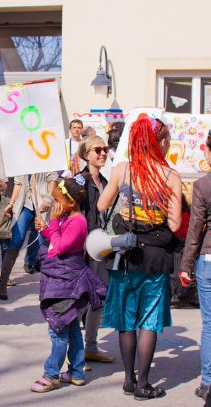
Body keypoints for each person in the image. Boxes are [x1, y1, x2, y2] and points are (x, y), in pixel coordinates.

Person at [98, 116, 181, 400]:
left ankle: (129, 379)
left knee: (127, 318)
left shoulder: (122, 169)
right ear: (161, 142)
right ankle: (145, 384)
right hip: (155, 255)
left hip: (126, 253)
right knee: (149, 319)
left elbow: (101, 204)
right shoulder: (171, 176)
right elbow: (173, 224)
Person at [30, 176, 107, 392]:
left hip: (66, 285)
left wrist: (52, 224)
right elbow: (56, 240)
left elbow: (61, 246)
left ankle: (51, 374)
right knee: (72, 326)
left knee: (58, 328)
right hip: (61, 280)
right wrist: (45, 229)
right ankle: (76, 372)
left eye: (57, 200)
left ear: (71, 203)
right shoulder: (66, 218)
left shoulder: (78, 221)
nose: (54, 206)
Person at [77, 136, 115, 364]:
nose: (102, 153)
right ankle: (75, 354)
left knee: (98, 297)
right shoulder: (79, 181)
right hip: (82, 248)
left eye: (105, 149)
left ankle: (91, 347)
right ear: (86, 154)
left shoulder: (105, 180)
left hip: (101, 246)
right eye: (97, 149)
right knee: (79, 300)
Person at [180, 130, 211, 402]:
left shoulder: (203, 185)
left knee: (210, 324)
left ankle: (208, 382)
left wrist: (186, 264)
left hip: (209, 259)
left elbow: (195, 230)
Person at [0, 172, 58, 300]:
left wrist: (48, 198)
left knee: (43, 245)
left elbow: (53, 179)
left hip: (42, 205)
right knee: (15, 242)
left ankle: (48, 286)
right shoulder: (22, 160)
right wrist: (11, 203)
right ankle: (3, 283)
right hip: (25, 205)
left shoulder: (45, 156)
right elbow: (18, 183)